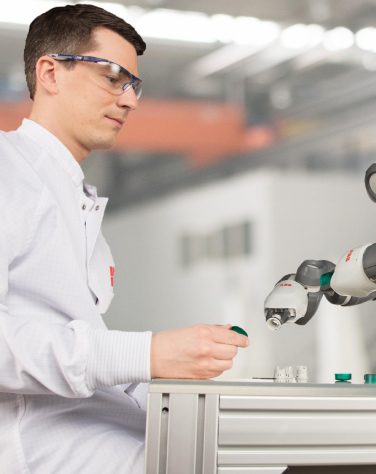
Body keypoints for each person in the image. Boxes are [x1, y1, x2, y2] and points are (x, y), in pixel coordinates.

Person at [0, 4, 249, 473]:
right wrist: (148, 353)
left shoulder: (75, 198)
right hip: (39, 447)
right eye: (112, 77)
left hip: (99, 428)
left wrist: (171, 381)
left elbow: (81, 351)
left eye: (133, 85)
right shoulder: (7, 169)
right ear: (50, 72)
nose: (129, 100)